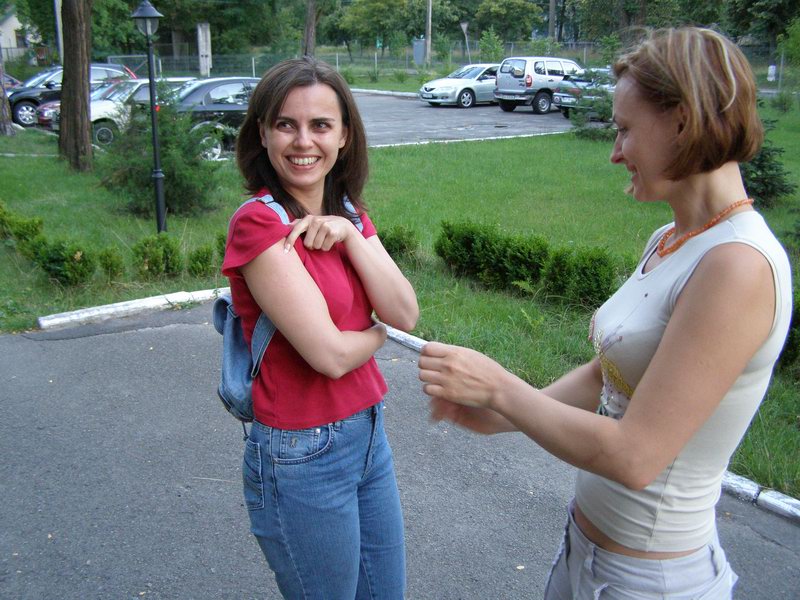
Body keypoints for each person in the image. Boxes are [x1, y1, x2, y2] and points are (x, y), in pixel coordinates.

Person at [418, 27, 792, 599]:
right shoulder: (672, 238)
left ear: (683, 122)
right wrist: (503, 415)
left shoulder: (737, 265)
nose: (616, 152)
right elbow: (606, 373)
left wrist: (499, 389)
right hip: (586, 554)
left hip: (649, 582)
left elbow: (637, 456)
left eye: (625, 130)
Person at [222, 57, 418, 599]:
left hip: (367, 434)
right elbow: (330, 355)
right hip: (301, 452)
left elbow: (404, 311)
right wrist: (378, 336)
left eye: (321, 125)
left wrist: (351, 235)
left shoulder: (347, 212)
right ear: (263, 133)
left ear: (344, 135)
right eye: (286, 124)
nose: (303, 141)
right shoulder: (259, 224)